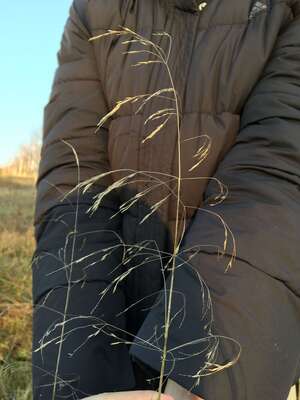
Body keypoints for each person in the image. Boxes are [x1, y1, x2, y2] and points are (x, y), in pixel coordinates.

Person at [31, 0, 300, 399]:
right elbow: (74, 189)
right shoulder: (95, 10)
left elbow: (279, 174)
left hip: (250, 336)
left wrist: (202, 377)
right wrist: (75, 384)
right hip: (118, 321)